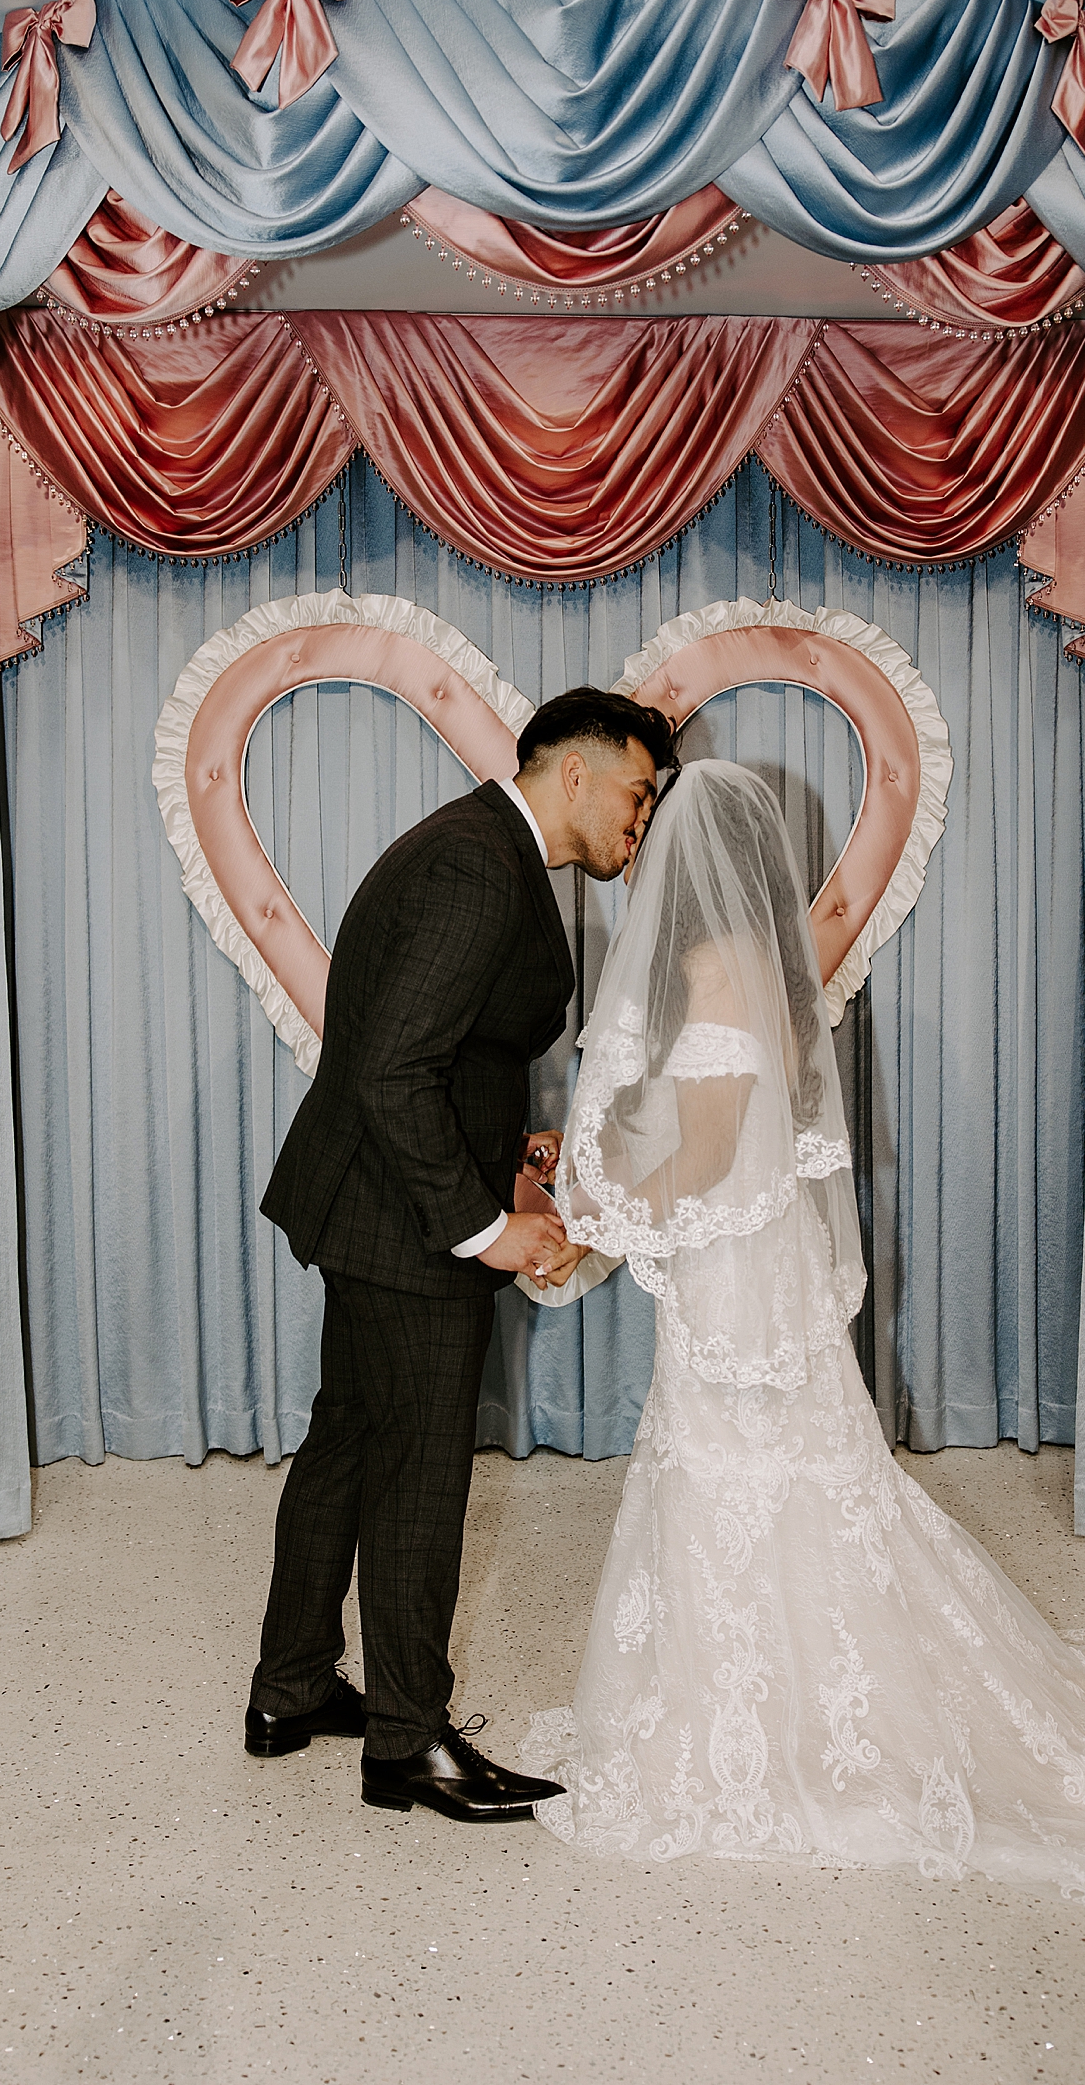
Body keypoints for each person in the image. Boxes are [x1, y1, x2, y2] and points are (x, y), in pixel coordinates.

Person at [525, 760, 1085, 1945]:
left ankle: (760, 1727)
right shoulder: (770, 969)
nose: (643, 848)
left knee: (733, 1473)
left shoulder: (708, 972)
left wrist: (592, 1218)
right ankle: (810, 1695)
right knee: (808, 1477)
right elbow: (737, 1130)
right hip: (773, 1268)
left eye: (656, 829)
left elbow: (701, 1158)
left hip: (736, 1282)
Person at [248, 687, 676, 1822]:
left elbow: (439, 1050)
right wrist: (491, 1227)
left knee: (348, 1440)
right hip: (405, 1226)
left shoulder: (480, 850)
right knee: (419, 1475)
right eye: (637, 792)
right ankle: (406, 1744)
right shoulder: (477, 867)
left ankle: (289, 1690)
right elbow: (393, 1070)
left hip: (378, 1202)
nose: (641, 820)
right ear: (574, 772)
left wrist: (513, 1149)